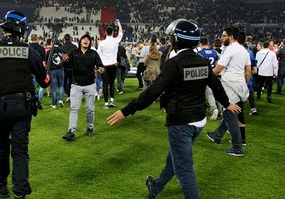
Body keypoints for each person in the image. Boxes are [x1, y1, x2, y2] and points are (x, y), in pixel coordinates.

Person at [106, 19, 241, 199]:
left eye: (172, 37)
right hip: (199, 121)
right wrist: (227, 103)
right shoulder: (202, 61)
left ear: (177, 39)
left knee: (184, 171)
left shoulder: (174, 63)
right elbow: (215, 85)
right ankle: (155, 187)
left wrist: (126, 111)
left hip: (180, 122)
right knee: (175, 159)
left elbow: (153, 92)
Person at [0, 10, 51, 199]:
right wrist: (45, 75)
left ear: (4, 27)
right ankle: (20, 191)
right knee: (20, 151)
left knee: (1, 148)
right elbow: (44, 82)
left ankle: (0, 184)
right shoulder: (28, 51)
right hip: (23, 107)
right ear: (21, 30)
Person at [206, 26, 251, 152]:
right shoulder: (243, 50)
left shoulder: (230, 50)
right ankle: (217, 135)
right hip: (240, 84)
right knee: (233, 110)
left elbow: (219, 68)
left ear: (231, 37)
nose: (221, 38)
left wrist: (205, 77)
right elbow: (248, 71)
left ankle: (237, 148)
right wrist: (244, 84)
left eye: (224, 35)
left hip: (229, 84)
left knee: (229, 113)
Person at [62, 34, 105, 141]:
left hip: (90, 85)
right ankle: (71, 131)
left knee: (90, 109)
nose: (86, 41)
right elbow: (66, 64)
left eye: (88, 40)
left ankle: (90, 128)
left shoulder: (93, 54)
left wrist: (101, 69)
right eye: (84, 39)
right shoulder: (73, 52)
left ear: (90, 42)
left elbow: (101, 65)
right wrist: (65, 60)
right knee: (74, 108)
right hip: (76, 85)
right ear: (80, 41)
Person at [97, 20, 123, 108]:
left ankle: (105, 103)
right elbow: (121, 33)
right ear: (112, 33)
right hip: (113, 65)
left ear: (105, 33)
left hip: (104, 66)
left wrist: (98, 66)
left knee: (105, 83)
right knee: (112, 83)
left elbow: (98, 55)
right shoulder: (115, 41)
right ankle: (112, 100)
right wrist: (118, 23)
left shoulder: (101, 43)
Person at [197, 37, 220, 120]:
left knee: (208, 93)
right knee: (216, 92)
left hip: (204, 75)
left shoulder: (199, 53)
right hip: (214, 74)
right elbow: (217, 65)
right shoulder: (214, 52)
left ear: (201, 44)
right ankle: (221, 110)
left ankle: (213, 109)